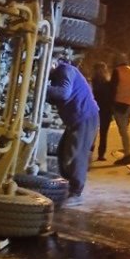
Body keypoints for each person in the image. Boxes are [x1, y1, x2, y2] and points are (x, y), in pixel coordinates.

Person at [46, 59, 100, 200]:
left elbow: (64, 93)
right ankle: (69, 187)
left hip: (85, 117)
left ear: (52, 63)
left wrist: (42, 87)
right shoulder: (57, 75)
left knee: (76, 155)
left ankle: (76, 193)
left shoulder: (65, 70)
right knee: (63, 152)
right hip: (76, 119)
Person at [109, 52, 130, 166]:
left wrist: (111, 104)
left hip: (119, 104)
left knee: (123, 132)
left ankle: (128, 155)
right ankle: (127, 151)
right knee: (125, 130)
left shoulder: (117, 71)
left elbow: (113, 88)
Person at [90, 61, 114, 161]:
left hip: (96, 110)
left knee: (92, 134)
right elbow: (111, 98)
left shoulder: (92, 82)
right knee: (102, 134)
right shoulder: (108, 83)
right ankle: (101, 154)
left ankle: (89, 154)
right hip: (104, 110)